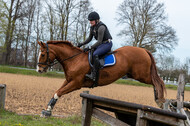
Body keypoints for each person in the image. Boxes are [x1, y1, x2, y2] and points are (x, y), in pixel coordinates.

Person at [78, 11, 113, 81]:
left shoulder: (101, 27)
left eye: (91, 20)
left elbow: (99, 41)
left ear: (96, 20)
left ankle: (94, 75)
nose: (90, 22)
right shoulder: (92, 28)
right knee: (90, 53)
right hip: (101, 44)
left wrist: (90, 47)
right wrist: (82, 43)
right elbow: (89, 38)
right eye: (89, 21)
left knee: (95, 54)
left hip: (107, 44)